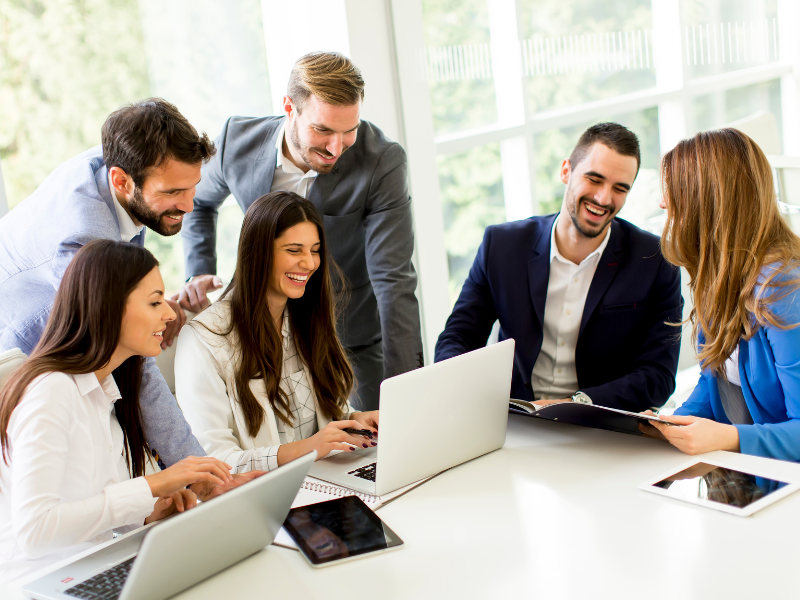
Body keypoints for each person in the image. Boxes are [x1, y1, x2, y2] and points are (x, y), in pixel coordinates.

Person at [0, 98, 258, 497]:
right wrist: (203, 477)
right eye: (173, 192)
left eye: (193, 187)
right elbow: (138, 367)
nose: (189, 205)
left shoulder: (122, 164)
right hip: (22, 352)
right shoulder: (83, 238)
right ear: (121, 181)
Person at [175, 52, 423, 411]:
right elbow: (196, 201)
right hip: (260, 333)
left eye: (349, 131)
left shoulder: (381, 161)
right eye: (323, 130)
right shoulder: (236, 141)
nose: (336, 147)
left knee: (381, 434)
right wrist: (199, 269)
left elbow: (394, 279)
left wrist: (407, 389)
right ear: (289, 108)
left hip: (348, 337)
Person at [0, 241, 239, 583]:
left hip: (90, 570)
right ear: (108, 308)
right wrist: (152, 485)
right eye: (155, 302)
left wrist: (150, 512)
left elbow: (93, 505)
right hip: (39, 583)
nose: (170, 314)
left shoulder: (105, 391)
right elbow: (35, 531)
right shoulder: (51, 391)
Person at [435, 123, 682, 411]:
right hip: (514, 414)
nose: (603, 198)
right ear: (566, 171)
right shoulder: (501, 246)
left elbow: (658, 376)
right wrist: (463, 395)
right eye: (594, 179)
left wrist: (574, 405)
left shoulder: (656, 260)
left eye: (619, 188)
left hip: (603, 420)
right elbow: (459, 337)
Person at [175, 191, 379, 473]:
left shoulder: (305, 318)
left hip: (326, 480)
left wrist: (353, 421)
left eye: (315, 250)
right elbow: (214, 461)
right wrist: (307, 448)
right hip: (266, 494)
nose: (309, 263)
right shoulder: (203, 339)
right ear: (258, 252)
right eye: (294, 250)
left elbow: (313, 424)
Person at [641, 128, 800, 462]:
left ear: (708, 202)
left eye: (674, 191)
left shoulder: (784, 289)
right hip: (755, 469)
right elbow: (716, 375)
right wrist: (674, 424)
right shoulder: (722, 273)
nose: (662, 203)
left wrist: (728, 438)